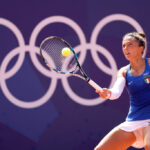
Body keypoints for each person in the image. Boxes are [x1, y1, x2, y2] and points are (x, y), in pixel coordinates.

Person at [94, 32, 150, 150]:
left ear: (141, 48)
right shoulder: (124, 71)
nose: (126, 48)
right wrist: (108, 93)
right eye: (123, 46)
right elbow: (116, 92)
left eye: (130, 45)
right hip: (133, 121)